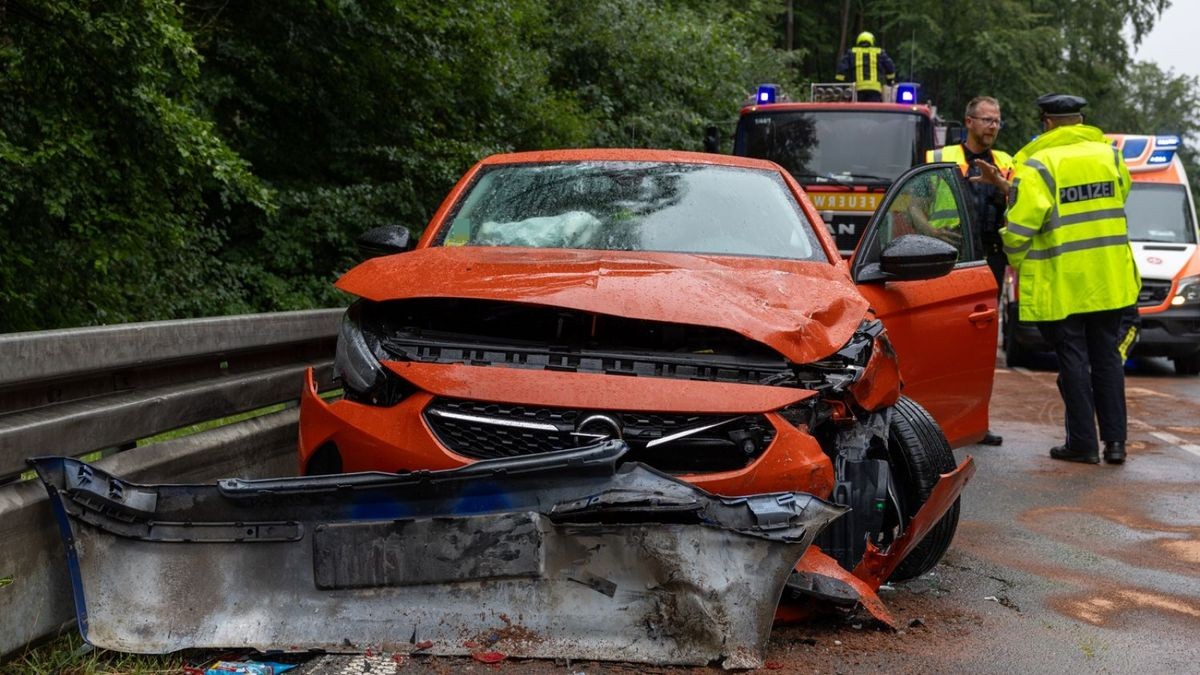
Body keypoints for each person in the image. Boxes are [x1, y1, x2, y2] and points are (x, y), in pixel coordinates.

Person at [977, 93, 1141, 465]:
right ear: (1080, 121)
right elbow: (1121, 196)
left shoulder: (1039, 163)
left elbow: (1021, 227)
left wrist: (1013, 254)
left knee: (1073, 361)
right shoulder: (1111, 155)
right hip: (1111, 278)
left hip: (1065, 281)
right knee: (1108, 360)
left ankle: (1083, 443)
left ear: (1047, 122)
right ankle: (1116, 445)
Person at [920, 96, 1012, 447]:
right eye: (987, 120)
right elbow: (913, 203)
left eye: (997, 121)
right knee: (941, 339)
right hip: (949, 257)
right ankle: (933, 419)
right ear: (969, 121)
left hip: (991, 258)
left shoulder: (1006, 162)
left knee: (982, 345)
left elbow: (1020, 201)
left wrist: (999, 183)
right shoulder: (941, 158)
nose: (993, 126)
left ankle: (977, 420)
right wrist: (928, 230)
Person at [835, 31, 896, 103]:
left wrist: (840, 85)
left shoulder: (851, 52)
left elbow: (841, 69)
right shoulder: (879, 52)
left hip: (857, 90)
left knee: (858, 110)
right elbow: (890, 68)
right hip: (875, 89)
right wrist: (889, 81)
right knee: (873, 110)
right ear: (872, 41)